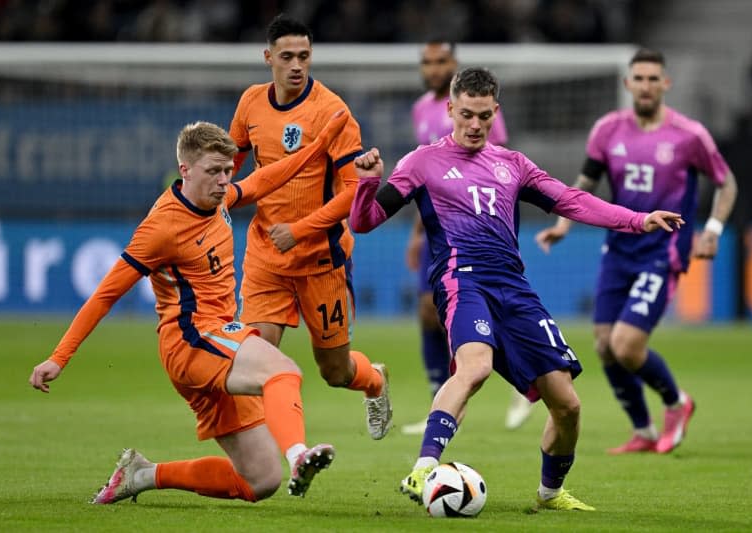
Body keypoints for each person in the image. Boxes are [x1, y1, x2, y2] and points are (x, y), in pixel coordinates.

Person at [349, 67, 684, 511]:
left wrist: (637, 220)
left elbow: (572, 200)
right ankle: (423, 468)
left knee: (567, 405)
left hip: (514, 287)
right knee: (474, 367)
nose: (474, 125)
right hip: (462, 278)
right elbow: (363, 222)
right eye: (466, 114)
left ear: (495, 112)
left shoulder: (513, 165)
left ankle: (550, 494)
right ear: (450, 109)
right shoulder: (422, 162)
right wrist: (368, 182)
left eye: (484, 116)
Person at [28, 113, 348, 503]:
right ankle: (300, 456)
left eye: (228, 170)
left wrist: (318, 147)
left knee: (260, 481)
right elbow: (106, 294)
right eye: (214, 171)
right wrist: (59, 357)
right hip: (192, 340)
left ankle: (143, 474)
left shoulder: (220, 199)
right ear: (185, 170)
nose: (223, 180)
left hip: (214, 339)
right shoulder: (161, 228)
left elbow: (264, 180)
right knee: (283, 372)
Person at [535, 48, 737, 455]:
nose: (645, 86)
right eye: (638, 79)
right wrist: (563, 224)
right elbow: (585, 184)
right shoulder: (607, 130)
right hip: (618, 249)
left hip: (663, 252)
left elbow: (726, 182)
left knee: (627, 345)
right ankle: (643, 431)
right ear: (627, 85)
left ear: (666, 83)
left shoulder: (689, 134)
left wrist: (712, 229)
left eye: (652, 78)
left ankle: (678, 403)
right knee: (605, 345)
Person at [228, 14, 391, 440]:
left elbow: (353, 193)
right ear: (268, 58)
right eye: (287, 57)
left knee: (335, 372)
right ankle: (277, 449)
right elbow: (233, 161)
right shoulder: (250, 103)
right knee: (257, 356)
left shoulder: (333, 112)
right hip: (266, 256)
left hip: (321, 258)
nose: (297, 65)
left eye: (304, 55)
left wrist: (299, 230)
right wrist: (217, 192)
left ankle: (374, 380)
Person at [402, 40, 533, 436]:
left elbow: (499, 172)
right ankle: (440, 401)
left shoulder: (479, 108)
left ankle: (523, 376)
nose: (433, 68)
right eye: (427, 62)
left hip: (480, 224)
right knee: (429, 311)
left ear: (453, 64)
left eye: (441, 61)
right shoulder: (422, 109)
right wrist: (415, 232)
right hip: (438, 226)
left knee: (480, 309)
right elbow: (424, 177)